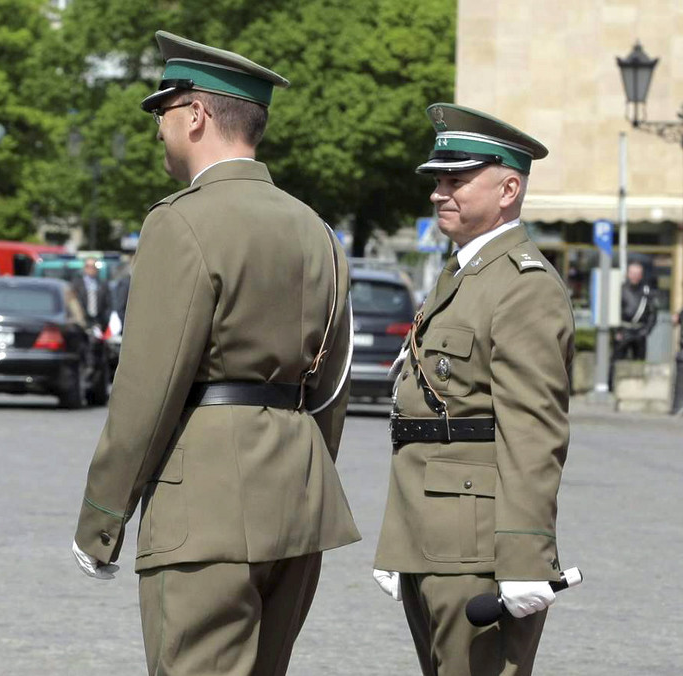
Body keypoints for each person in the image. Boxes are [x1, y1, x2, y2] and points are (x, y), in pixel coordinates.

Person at [71, 32, 359, 676]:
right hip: (298, 495)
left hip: (204, 502)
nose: (158, 130)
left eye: (163, 112)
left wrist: (103, 517)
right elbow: (333, 385)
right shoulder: (317, 230)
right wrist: (303, 475)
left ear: (196, 115)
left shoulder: (180, 221)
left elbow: (148, 386)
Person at [372, 104, 573, 676]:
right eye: (438, 179)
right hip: (432, 537)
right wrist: (398, 541)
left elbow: (533, 434)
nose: (440, 192)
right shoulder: (463, 275)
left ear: (509, 188)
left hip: (479, 545)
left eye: (457, 179)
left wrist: (525, 556)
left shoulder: (523, 286)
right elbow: (421, 422)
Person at [615, 261, 656, 360]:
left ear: (641, 275)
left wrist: (646, 330)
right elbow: (615, 311)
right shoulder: (621, 290)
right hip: (624, 331)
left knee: (639, 363)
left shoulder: (646, 291)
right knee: (617, 361)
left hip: (640, 332)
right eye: (633, 273)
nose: (635, 276)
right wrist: (617, 331)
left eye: (637, 274)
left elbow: (653, 313)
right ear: (628, 274)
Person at [70, 258, 111, 334]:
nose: (91, 269)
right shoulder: (76, 284)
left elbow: (108, 304)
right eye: (88, 266)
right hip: (82, 321)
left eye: (93, 266)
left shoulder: (103, 284)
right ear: (84, 268)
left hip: (99, 321)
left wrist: (105, 320)